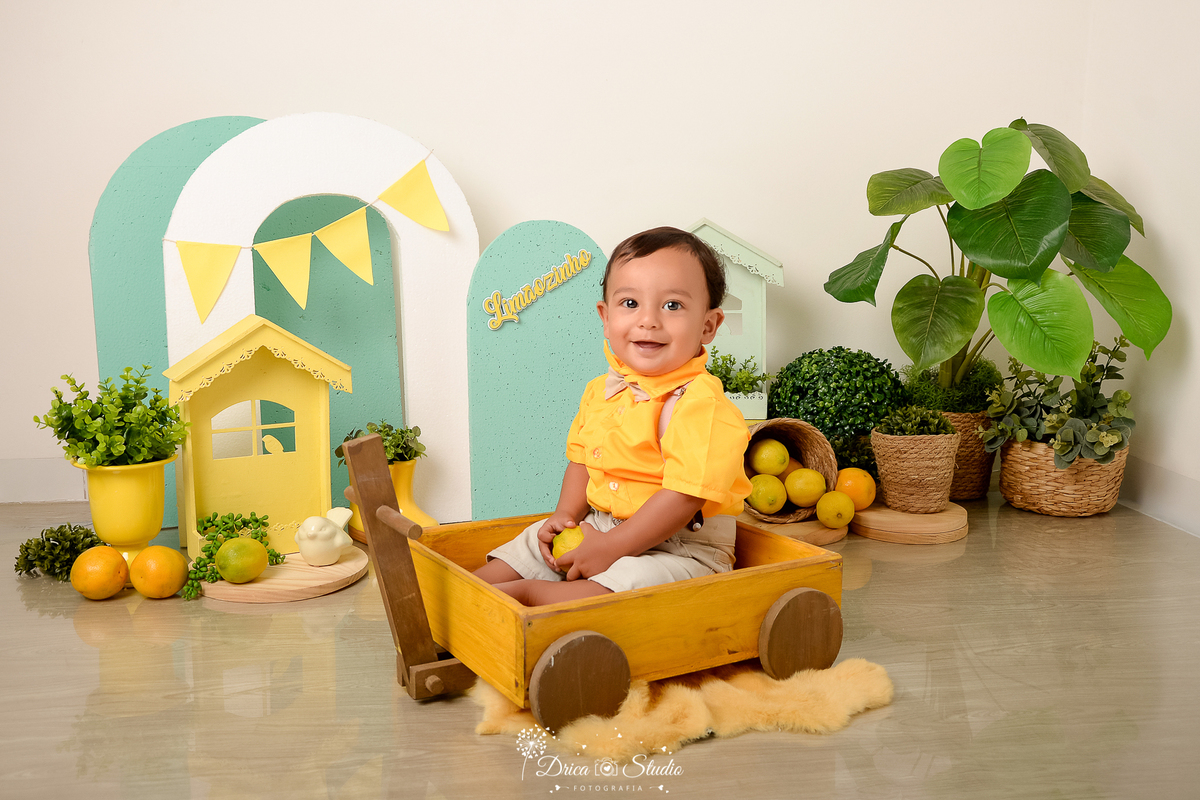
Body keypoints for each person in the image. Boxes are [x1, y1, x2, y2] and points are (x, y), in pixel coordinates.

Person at [473, 227, 753, 605]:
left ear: (708, 325)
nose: (648, 320)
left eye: (672, 305)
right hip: (601, 525)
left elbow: (683, 497)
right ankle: (469, 591)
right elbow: (582, 463)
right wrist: (565, 517)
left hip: (681, 546)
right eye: (630, 304)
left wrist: (612, 547)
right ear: (605, 318)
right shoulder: (601, 391)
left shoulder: (703, 404)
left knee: (637, 577)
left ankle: (532, 598)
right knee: (532, 539)